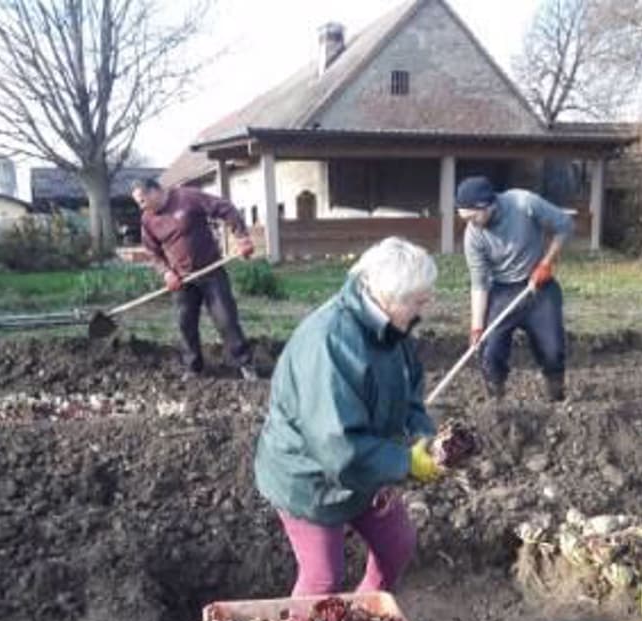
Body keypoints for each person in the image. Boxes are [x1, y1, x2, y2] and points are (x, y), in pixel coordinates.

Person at [254, 237, 445, 597]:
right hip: (310, 477)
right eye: (419, 300)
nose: (426, 307)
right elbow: (335, 444)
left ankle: (365, 611)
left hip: (367, 466)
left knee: (396, 545)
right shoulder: (330, 343)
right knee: (323, 578)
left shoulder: (393, 329)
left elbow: (411, 391)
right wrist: (404, 463)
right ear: (390, 297)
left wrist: (423, 441)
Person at [456, 175, 574, 401]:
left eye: (473, 217)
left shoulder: (524, 203)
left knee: (552, 350)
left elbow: (564, 226)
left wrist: (546, 263)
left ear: (487, 205)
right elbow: (479, 283)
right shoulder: (473, 237)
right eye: (466, 219)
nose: (471, 224)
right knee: (490, 353)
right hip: (502, 291)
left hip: (540, 287)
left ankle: (556, 398)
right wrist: (476, 328)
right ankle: (496, 405)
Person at [131, 177, 257, 381]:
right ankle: (193, 367)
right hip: (182, 280)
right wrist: (166, 272)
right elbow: (152, 252)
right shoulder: (148, 220)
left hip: (211, 271)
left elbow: (225, 208)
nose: (141, 206)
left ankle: (244, 363)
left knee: (225, 319)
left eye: (142, 201)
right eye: (138, 203)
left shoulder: (186, 197)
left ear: (154, 191)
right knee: (185, 322)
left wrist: (241, 236)